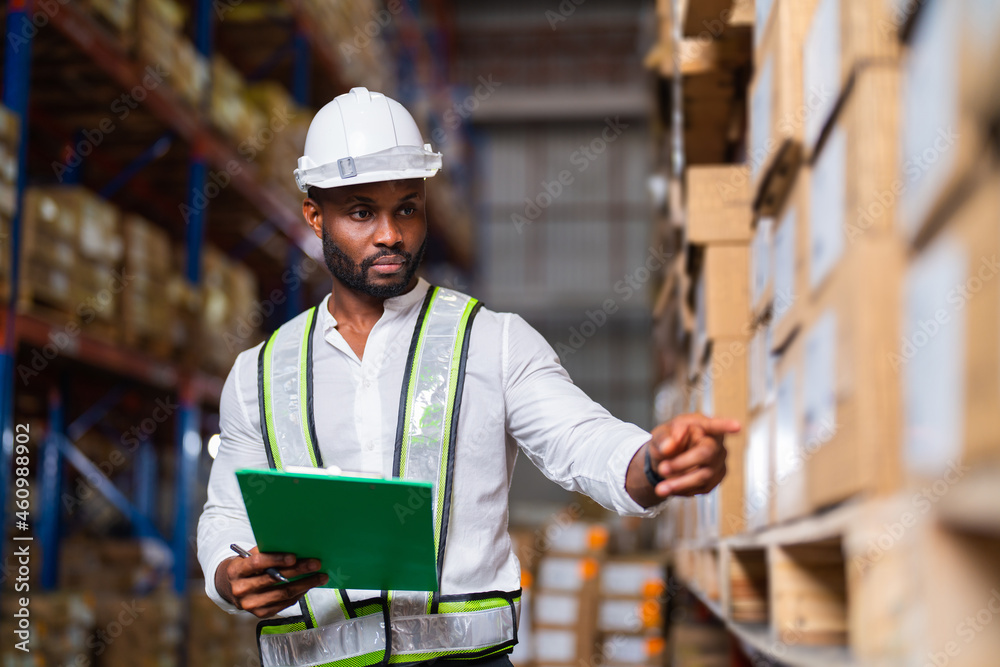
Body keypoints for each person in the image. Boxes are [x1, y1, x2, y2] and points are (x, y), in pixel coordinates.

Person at [197, 87, 738, 667]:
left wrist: (655, 463)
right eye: (361, 212)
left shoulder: (491, 341)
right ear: (314, 214)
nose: (390, 234)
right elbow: (226, 512)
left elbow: (584, 441)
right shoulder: (258, 373)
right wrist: (229, 575)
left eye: (407, 207)